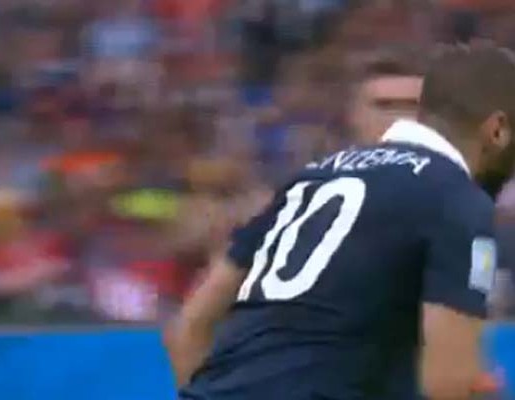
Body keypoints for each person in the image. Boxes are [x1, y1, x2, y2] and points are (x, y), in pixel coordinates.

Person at [165, 43, 515, 400]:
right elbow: (447, 385)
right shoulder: (457, 198)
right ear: (498, 130)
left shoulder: (308, 181)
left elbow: (188, 327)